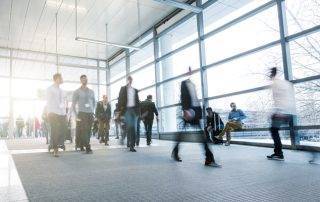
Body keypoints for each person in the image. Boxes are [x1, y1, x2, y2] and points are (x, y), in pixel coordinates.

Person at [171, 67, 219, 167]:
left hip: (195, 112)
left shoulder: (193, 84)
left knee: (198, 135)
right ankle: (209, 158)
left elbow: (194, 99)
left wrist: (198, 112)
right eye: (189, 71)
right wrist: (185, 111)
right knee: (199, 135)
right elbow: (183, 97)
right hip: (189, 112)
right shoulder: (184, 83)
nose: (190, 72)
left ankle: (176, 151)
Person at [267, 67, 297, 161]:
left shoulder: (276, 84)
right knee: (292, 133)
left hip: (282, 112)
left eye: (270, 74)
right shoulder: (285, 83)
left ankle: (279, 154)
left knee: (274, 130)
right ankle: (313, 151)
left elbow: (279, 99)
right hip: (290, 112)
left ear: (273, 74)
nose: (269, 76)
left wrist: (279, 112)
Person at [72, 75, 96, 154]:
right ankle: (87, 147)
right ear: (80, 81)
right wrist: (76, 115)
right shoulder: (77, 92)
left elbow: (93, 102)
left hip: (90, 113)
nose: (85, 80)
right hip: (82, 113)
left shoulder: (91, 91)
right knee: (84, 130)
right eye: (83, 79)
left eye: (86, 79)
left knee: (88, 131)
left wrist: (93, 112)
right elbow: (73, 104)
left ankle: (83, 144)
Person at [117, 76, 140, 152]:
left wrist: (138, 113)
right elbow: (120, 100)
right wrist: (119, 112)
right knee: (130, 126)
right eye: (128, 79)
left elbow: (137, 102)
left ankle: (130, 144)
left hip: (134, 110)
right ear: (126, 80)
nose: (130, 81)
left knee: (133, 128)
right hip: (126, 110)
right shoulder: (123, 89)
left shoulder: (135, 90)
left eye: (131, 80)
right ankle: (130, 145)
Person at [46, 73, 67, 157]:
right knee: (55, 130)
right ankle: (55, 149)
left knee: (64, 129)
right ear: (57, 79)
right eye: (61, 78)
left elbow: (63, 103)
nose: (62, 79)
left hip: (61, 113)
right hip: (53, 112)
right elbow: (48, 102)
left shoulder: (62, 91)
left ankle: (57, 144)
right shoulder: (50, 89)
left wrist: (64, 113)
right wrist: (49, 113)